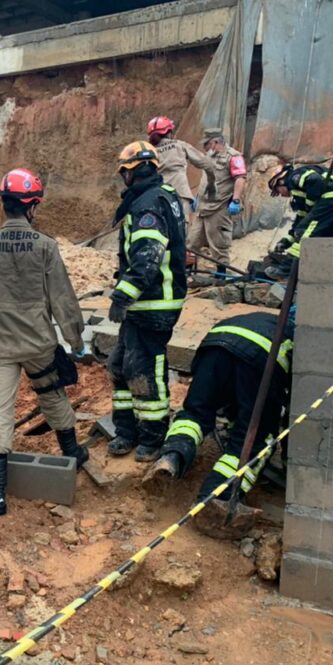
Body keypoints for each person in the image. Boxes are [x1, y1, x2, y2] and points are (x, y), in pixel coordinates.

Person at [0, 168, 87, 516]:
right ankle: (73, 454)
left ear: (4, 206)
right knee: (52, 396)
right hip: (37, 343)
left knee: (0, 414)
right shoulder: (45, 246)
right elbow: (62, 299)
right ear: (32, 207)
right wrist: (75, 339)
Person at [150, 311, 293, 537]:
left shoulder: (260, 318)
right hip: (258, 360)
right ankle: (217, 498)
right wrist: (289, 457)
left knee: (196, 412)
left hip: (215, 345)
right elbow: (290, 411)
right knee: (252, 439)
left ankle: (172, 456)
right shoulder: (299, 341)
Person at [107, 141, 187, 462]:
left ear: (130, 173)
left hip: (154, 304)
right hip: (146, 303)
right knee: (119, 366)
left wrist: (122, 296)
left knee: (145, 369)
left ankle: (152, 437)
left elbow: (147, 258)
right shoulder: (158, 197)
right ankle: (126, 430)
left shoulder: (148, 205)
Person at [266, 162, 333, 278]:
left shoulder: (294, 177)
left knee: (306, 234)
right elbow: (302, 219)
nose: (281, 195)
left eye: (277, 191)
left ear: (281, 181)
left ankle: (286, 269)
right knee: (332, 236)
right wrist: (287, 240)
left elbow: (314, 180)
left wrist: (311, 205)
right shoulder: (300, 193)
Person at [190, 129, 246, 275]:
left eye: (207, 144)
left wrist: (236, 200)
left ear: (215, 142)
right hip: (202, 207)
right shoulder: (209, 156)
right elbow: (205, 179)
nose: (205, 148)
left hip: (219, 207)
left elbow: (240, 178)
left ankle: (222, 277)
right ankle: (188, 274)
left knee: (219, 245)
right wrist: (197, 197)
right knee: (191, 242)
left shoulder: (233, 157)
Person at [146, 116, 216, 224]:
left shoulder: (148, 152)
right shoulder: (179, 145)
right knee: (181, 230)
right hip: (181, 195)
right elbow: (207, 164)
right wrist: (211, 185)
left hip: (157, 196)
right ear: (169, 132)